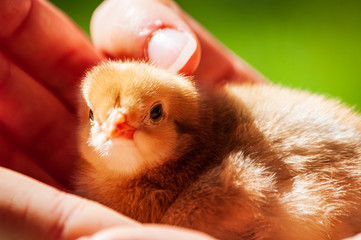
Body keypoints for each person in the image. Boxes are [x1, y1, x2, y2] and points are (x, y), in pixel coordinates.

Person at [0, 0, 359, 239]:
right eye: (97, 116)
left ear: (184, 132)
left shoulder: (202, 201)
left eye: (154, 113)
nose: (116, 126)